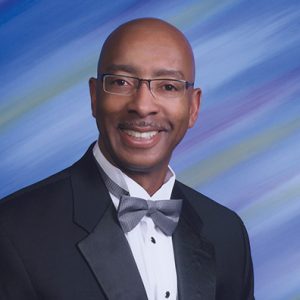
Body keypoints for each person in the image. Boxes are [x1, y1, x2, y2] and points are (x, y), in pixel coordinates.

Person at [0, 18, 254, 300]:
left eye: (168, 86)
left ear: (193, 107)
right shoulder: (12, 230)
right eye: (121, 82)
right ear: (94, 97)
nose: (143, 106)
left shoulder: (227, 233)